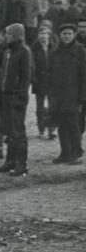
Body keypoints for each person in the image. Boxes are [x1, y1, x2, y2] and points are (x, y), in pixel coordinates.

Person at [0, 23, 32, 176]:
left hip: (16, 97)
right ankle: (10, 161)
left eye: (8, 34)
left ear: (16, 35)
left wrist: (20, 96)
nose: (6, 36)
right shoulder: (8, 51)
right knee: (8, 129)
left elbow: (26, 77)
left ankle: (21, 164)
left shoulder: (23, 52)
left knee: (17, 131)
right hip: (5, 95)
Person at [48, 23, 86, 163]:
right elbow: (49, 72)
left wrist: (82, 97)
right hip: (58, 94)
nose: (66, 36)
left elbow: (84, 76)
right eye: (64, 34)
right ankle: (64, 153)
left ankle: (76, 153)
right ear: (59, 35)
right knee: (61, 124)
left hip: (73, 94)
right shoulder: (55, 51)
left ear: (74, 35)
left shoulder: (80, 51)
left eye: (69, 33)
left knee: (73, 124)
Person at [31, 22, 56, 140]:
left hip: (52, 81)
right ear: (38, 35)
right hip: (39, 81)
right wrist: (34, 79)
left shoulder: (54, 47)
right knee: (40, 107)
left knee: (53, 106)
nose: (43, 36)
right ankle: (41, 129)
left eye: (45, 33)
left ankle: (52, 130)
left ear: (49, 35)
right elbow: (31, 66)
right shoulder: (33, 49)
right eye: (41, 33)